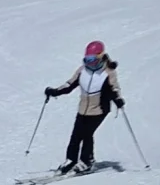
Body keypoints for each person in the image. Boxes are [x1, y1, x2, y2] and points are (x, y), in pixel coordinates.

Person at [45, 40, 125, 175]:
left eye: (92, 59)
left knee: (87, 134)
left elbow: (114, 88)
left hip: (100, 109)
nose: (89, 63)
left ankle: (86, 161)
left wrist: (118, 99)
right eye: (87, 59)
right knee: (75, 136)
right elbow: (69, 85)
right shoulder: (83, 70)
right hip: (83, 109)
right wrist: (55, 91)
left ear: (100, 57)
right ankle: (70, 160)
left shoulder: (108, 72)